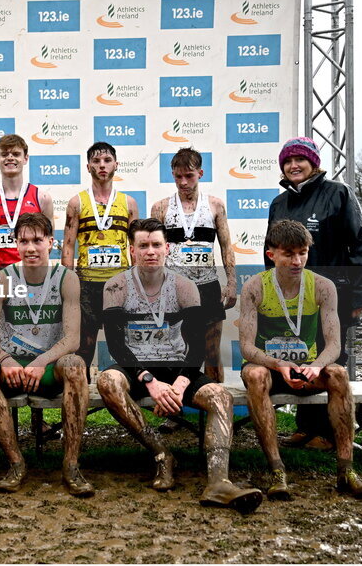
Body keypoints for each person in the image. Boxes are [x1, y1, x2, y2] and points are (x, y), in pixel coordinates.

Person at [97, 218, 263, 512]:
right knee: (107, 382)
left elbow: (197, 345)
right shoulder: (115, 286)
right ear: (131, 250)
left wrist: (179, 384)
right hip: (135, 365)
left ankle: (218, 482)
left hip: (177, 367)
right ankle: (162, 454)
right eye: (143, 245)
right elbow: (117, 347)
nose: (151, 251)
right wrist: (150, 381)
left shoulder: (185, 287)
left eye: (156, 245)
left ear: (167, 249)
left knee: (220, 396)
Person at [239, 219, 362, 499]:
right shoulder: (255, 286)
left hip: (308, 369)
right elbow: (246, 347)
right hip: (271, 368)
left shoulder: (323, 286)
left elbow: (335, 344)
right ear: (271, 255)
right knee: (254, 375)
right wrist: (279, 365)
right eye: (289, 254)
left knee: (338, 373)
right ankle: (277, 471)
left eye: (302, 252)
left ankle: (346, 470)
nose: (297, 260)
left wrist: (315, 367)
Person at [0, 212, 93, 497]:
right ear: (14, 243)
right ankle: (16, 463)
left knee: (76, 365)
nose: (31, 248)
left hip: (50, 365)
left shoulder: (67, 278)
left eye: (38, 241)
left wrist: (42, 361)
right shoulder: (2, 279)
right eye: (23, 241)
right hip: (14, 365)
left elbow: (72, 339)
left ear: (51, 242)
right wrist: (5, 360)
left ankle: (71, 464)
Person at [266, 137, 362, 449]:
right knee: (299, 354)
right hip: (291, 298)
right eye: (287, 161)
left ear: (314, 163)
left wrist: (360, 295)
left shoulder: (338, 193)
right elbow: (269, 252)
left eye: (300, 159)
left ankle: (330, 430)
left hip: (334, 295)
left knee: (330, 360)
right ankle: (306, 426)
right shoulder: (279, 203)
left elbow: (360, 245)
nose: (293, 166)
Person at [150, 148, 236, 384]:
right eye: (178, 176)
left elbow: (226, 247)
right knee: (177, 352)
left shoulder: (215, 206)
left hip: (208, 286)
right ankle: (176, 417)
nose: (183, 182)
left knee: (211, 353)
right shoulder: (161, 208)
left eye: (189, 175)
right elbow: (154, 251)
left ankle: (217, 410)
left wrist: (232, 284)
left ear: (200, 173)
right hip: (174, 289)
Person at [62, 142, 137, 371]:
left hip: (118, 285)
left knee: (122, 345)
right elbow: (67, 246)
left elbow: (135, 247)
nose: (102, 166)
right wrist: (69, 285)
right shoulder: (77, 203)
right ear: (88, 166)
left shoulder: (128, 203)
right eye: (96, 161)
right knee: (84, 347)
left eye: (106, 161)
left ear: (116, 165)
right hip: (87, 285)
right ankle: (80, 396)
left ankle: (126, 394)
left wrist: (137, 283)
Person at [0, 134, 54, 284]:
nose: (10, 158)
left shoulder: (42, 198)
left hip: (32, 273)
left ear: (26, 158)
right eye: (4, 154)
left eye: (16, 154)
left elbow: (46, 241)